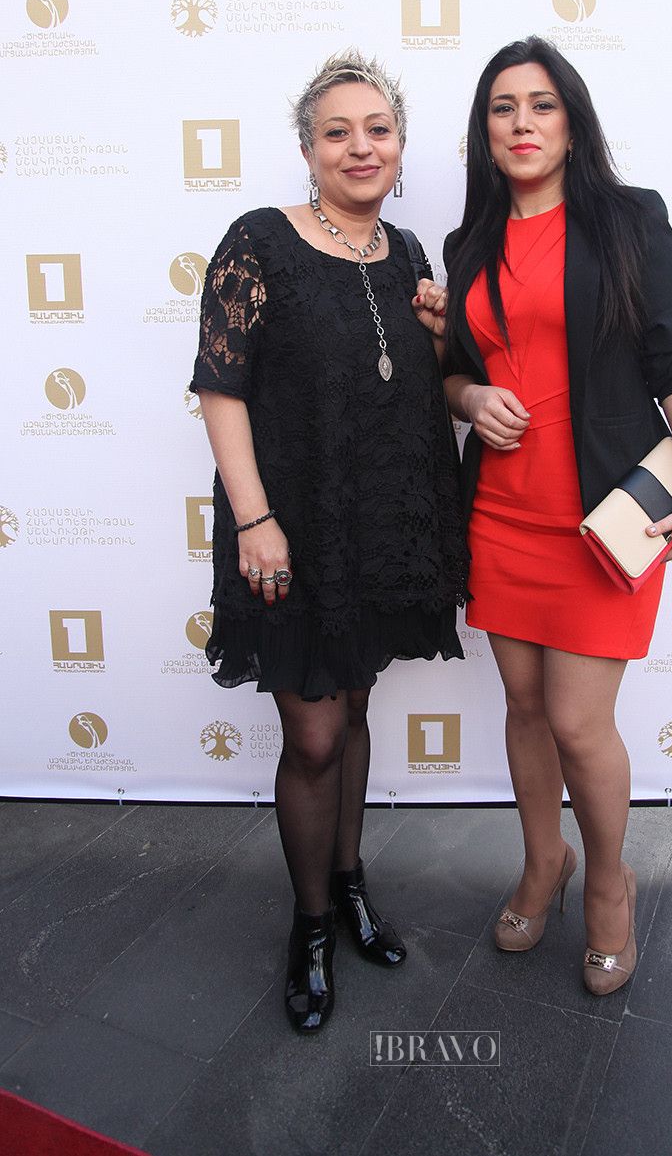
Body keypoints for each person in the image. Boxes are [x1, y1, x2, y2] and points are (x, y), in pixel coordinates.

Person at [190, 50, 467, 1033]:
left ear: (400, 146)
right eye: (337, 131)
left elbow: (419, 386)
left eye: (378, 130)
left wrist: (441, 337)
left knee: (352, 707)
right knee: (312, 735)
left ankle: (349, 885)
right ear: (308, 149)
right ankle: (310, 924)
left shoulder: (409, 253)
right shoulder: (258, 241)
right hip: (291, 527)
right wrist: (255, 521)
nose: (361, 146)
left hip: (381, 522)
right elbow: (219, 388)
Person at [441, 36, 672, 995]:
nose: (522, 123)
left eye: (542, 104)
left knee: (577, 720)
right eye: (503, 107)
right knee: (524, 707)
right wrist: (470, 398)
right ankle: (541, 861)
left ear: (572, 122)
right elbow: (455, 372)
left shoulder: (631, 220)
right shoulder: (468, 245)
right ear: (484, 131)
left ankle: (608, 884)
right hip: (500, 514)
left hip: (605, 518)